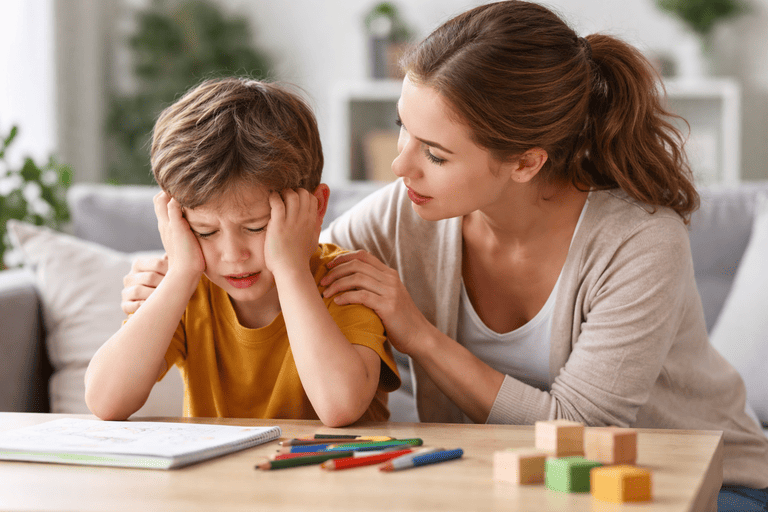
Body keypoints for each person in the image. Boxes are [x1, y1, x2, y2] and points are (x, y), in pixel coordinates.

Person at [120, 1, 768, 506]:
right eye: (403, 127)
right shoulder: (402, 215)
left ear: (525, 162)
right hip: (513, 488)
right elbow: (288, 271)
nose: (400, 165)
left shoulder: (638, 241)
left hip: (700, 482)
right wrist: (174, 282)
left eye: (434, 153)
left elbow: (582, 428)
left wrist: (420, 336)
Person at [86, 77, 400, 427]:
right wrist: (179, 276)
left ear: (316, 207)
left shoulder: (344, 284)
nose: (233, 255)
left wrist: (291, 270)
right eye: (205, 231)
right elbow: (105, 401)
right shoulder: (189, 290)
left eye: (256, 227)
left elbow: (339, 407)